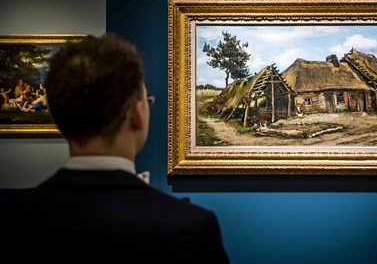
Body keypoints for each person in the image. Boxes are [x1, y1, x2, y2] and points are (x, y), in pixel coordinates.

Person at [0, 34, 229, 263]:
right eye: (148, 101)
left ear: (59, 118)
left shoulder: (10, 217)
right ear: (137, 114)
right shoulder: (191, 227)